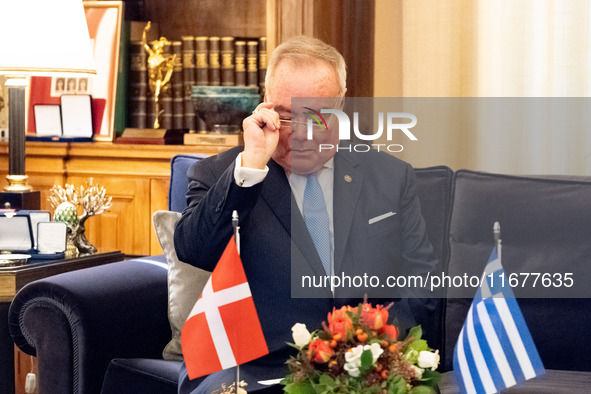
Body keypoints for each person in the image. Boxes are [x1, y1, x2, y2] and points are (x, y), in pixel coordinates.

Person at [174, 36, 439, 393]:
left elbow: (423, 280)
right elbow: (194, 250)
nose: (301, 134)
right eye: (285, 116)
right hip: (259, 367)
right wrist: (252, 165)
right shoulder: (224, 173)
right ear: (264, 105)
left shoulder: (390, 176)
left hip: (369, 361)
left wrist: (372, 341)